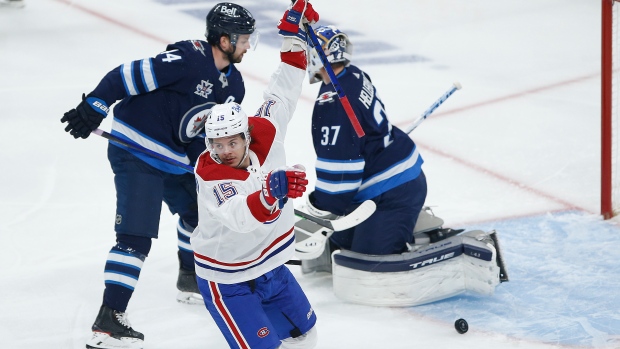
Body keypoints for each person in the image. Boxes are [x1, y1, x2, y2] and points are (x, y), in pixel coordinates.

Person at [59, 3, 258, 348]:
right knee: (135, 236)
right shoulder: (188, 59)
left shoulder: (234, 85)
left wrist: (211, 168)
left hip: (172, 156)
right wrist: (95, 105)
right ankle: (109, 320)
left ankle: (189, 278)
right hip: (136, 150)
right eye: (243, 39)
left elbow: (202, 134)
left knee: (200, 213)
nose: (248, 46)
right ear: (225, 40)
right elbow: (125, 76)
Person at [190, 1, 320, 348]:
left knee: (306, 335)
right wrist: (271, 193)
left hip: (272, 267)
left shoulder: (266, 129)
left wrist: (294, 37)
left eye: (232, 142)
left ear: (247, 136)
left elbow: (284, 89)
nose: (225, 150)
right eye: (217, 144)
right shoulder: (212, 176)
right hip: (228, 279)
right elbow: (241, 217)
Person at [304, 25, 427, 256]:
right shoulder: (350, 75)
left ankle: (411, 235)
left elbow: (341, 173)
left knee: (366, 262)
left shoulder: (334, 102)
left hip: (394, 190)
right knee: (340, 246)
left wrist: (319, 209)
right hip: (380, 180)